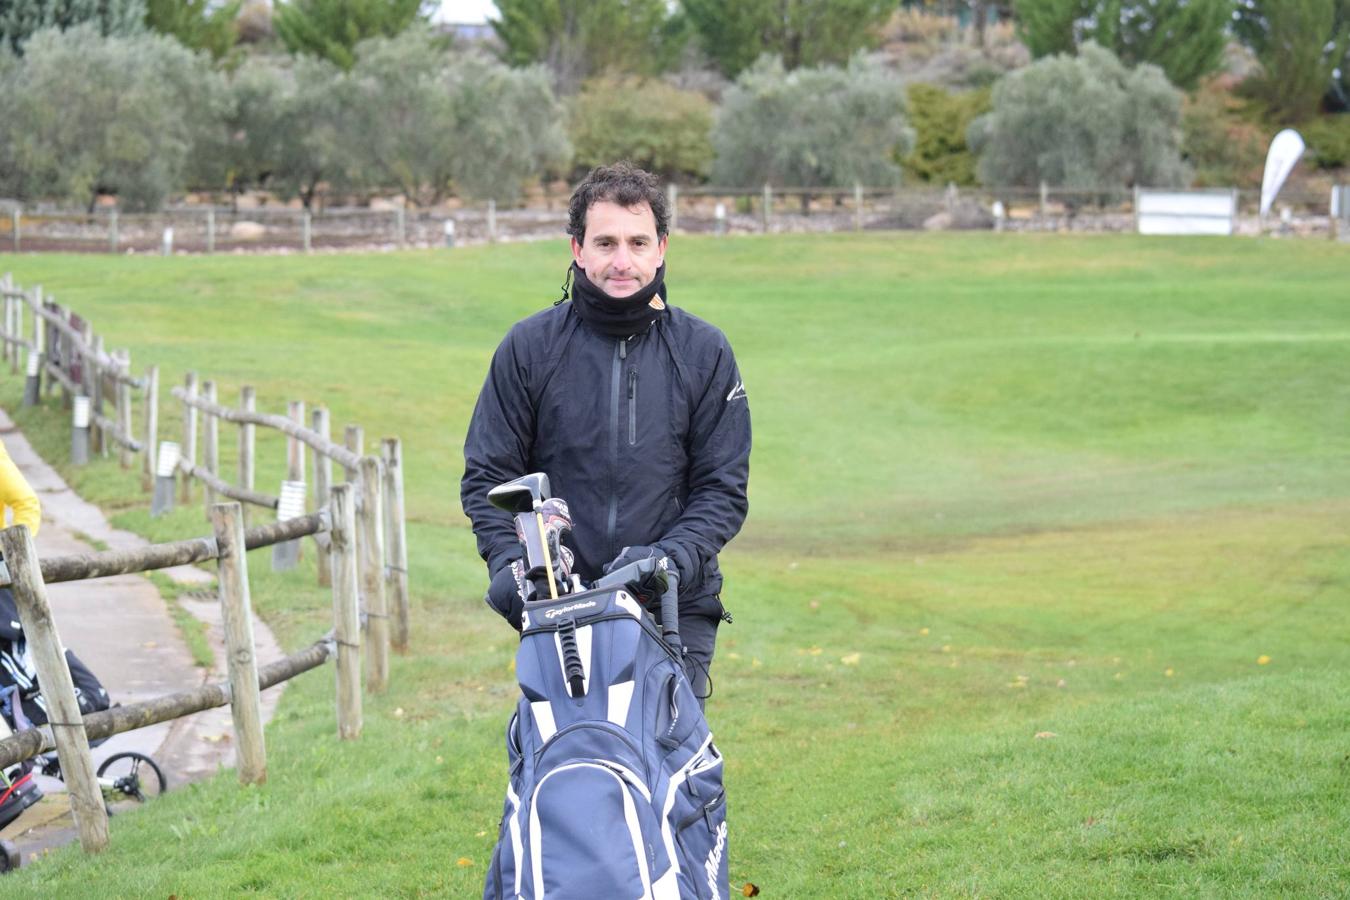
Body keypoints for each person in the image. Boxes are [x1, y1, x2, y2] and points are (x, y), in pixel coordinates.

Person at [461, 162, 751, 701]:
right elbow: (489, 475)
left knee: (663, 768)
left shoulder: (705, 352)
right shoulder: (529, 348)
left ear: (662, 247)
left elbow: (722, 492)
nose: (623, 261)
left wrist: (667, 559)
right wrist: (508, 563)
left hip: (671, 603)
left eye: (638, 242)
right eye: (605, 242)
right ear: (577, 249)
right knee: (569, 766)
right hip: (559, 602)